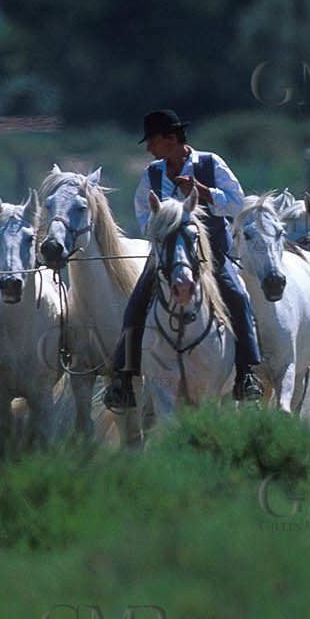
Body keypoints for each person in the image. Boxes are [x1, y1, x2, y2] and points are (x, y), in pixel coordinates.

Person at [103, 109, 264, 407]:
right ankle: (123, 379)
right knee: (136, 303)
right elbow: (143, 216)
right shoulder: (151, 173)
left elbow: (236, 203)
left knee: (238, 296)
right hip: (167, 253)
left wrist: (201, 191)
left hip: (211, 252)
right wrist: (162, 224)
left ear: (171, 139)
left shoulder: (210, 163)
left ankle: (246, 372)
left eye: (153, 141)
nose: (150, 148)